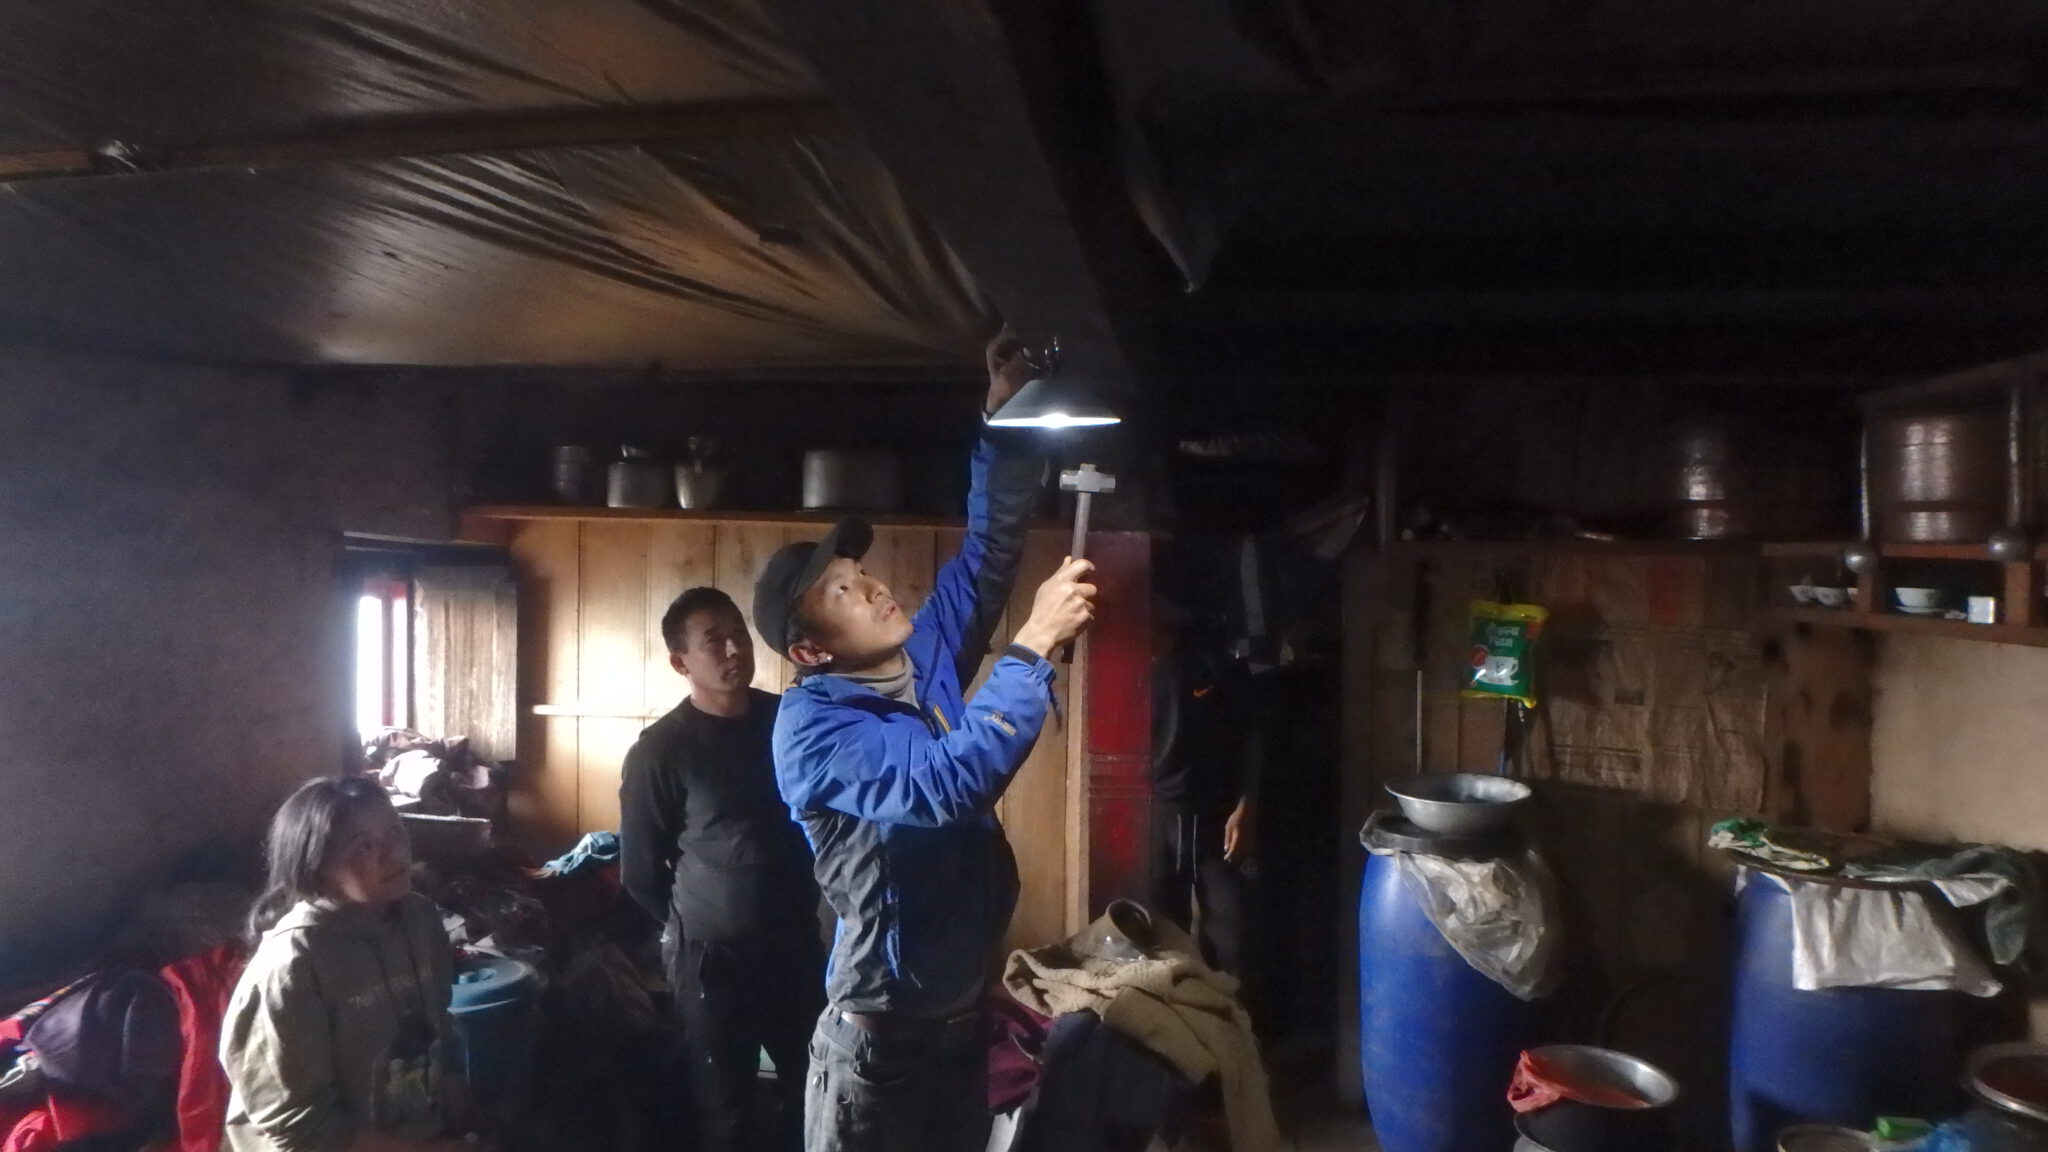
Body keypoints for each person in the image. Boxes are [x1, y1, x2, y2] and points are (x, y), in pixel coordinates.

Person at [754, 332, 1097, 1152]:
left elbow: (987, 557)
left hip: (957, 1028)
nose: (874, 586)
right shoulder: (813, 731)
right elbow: (942, 785)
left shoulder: (922, 660)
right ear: (811, 652)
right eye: (843, 590)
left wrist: (1003, 419)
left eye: (862, 573)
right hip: (878, 1052)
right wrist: (1032, 645)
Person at [619, 586, 823, 1152]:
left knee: (816, 1086)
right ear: (681, 662)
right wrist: (696, 922)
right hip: (712, 960)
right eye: (714, 641)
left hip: (795, 944)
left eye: (738, 633)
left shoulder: (787, 720)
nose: (734, 648)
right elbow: (640, 872)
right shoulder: (661, 750)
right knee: (726, 1107)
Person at [221, 776, 475, 1152]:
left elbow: (438, 1025)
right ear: (317, 865)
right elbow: (298, 1129)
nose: (393, 852)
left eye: (395, 831)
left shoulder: (419, 919)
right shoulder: (294, 962)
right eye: (364, 845)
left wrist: (457, 1108)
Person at [1149, 602, 1258, 978]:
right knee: (1162, 937)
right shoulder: (1126, 669)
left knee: (1231, 937)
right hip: (1155, 816)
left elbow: (1252, 738)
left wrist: (1246, 807)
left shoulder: (1213, 667)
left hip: (1216, 814)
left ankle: (1230, 1011)